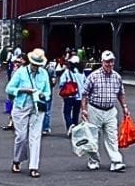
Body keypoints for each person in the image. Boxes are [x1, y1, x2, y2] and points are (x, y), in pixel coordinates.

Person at [5, 48, 51, 178]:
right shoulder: (21, 72)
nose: (36, 67)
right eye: (34, 64)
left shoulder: (44, 74)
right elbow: (9, 88)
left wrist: (43, 95)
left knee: (35, 137)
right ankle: (17, 160)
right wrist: (23, 90)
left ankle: (34, 167)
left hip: (37, 107)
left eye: (38, 64)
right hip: (21, 106)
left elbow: (48, 92)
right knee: (21, 136)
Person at [81, 50, 129, 172]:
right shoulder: (93, 76)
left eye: (111, 61)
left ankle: (116, 161)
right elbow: (85, 94)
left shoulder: (117, 77)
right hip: (95, 109)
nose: (109, 64)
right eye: (107, 62)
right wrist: (84, 110)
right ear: (102, 62)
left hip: (110, 110)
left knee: (112, 137)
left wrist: (124, 107)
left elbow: (121, 94)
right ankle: (93, 160)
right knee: (93, 137)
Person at [58, 55, 85, 135]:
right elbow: (85, 83)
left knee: (66, 112)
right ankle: (75, 128)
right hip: (79, 96)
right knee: (76, 113)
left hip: (69, 95)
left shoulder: (68, 72)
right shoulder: (82, 72)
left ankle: (70, 125)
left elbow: (61, 83)